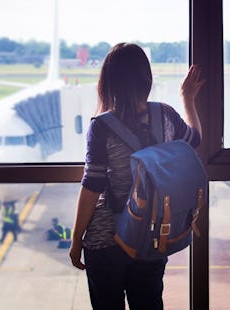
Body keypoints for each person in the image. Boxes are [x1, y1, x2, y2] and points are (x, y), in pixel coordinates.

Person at [69, 43, 205, 310]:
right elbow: (195, 140)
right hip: (150, 236)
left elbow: (92, 186)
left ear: (108, 82)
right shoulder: (165, 114)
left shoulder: (101, 126)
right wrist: (187, 99)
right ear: (147, 79)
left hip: (106, 240)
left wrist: (76, 240)